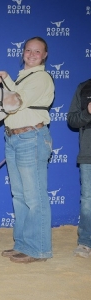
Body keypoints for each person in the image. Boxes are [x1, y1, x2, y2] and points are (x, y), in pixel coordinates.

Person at [0, 36, 55, 263]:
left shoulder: (41, 77)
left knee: (34, 196)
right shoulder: (23, 77)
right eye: (28, 50)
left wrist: (6, 79)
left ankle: (38, 249)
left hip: (31, 137)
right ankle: (23, 243)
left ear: (44, 55)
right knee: (19, 195)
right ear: (23, 53)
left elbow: (17, 100)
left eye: (37, 51)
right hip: (14, 138)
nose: (31, 54)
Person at [67, 79, 91, 258]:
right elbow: (72, 120)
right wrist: (87, 112)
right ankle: (85, 243)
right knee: (88, 201)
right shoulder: (83, 87)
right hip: (88, 153)